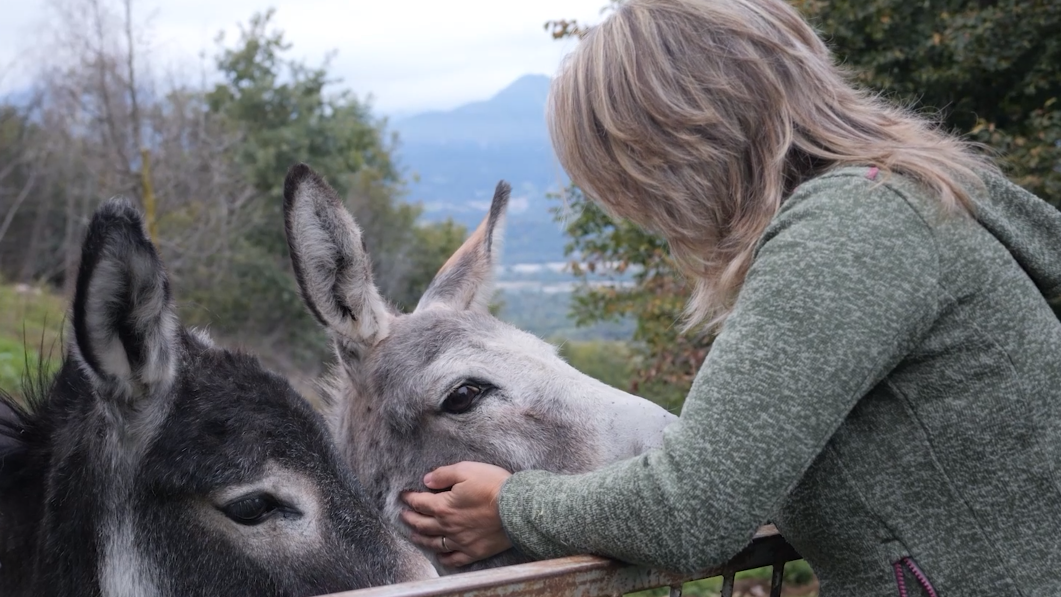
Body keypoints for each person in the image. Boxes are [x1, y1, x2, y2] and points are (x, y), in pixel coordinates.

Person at [400, 0, 1061, 594]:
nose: (642, 214)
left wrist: (513, 505)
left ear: (676, 143)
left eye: (624, 175)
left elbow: (691, 509)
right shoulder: (885, 205)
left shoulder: (851, 236)